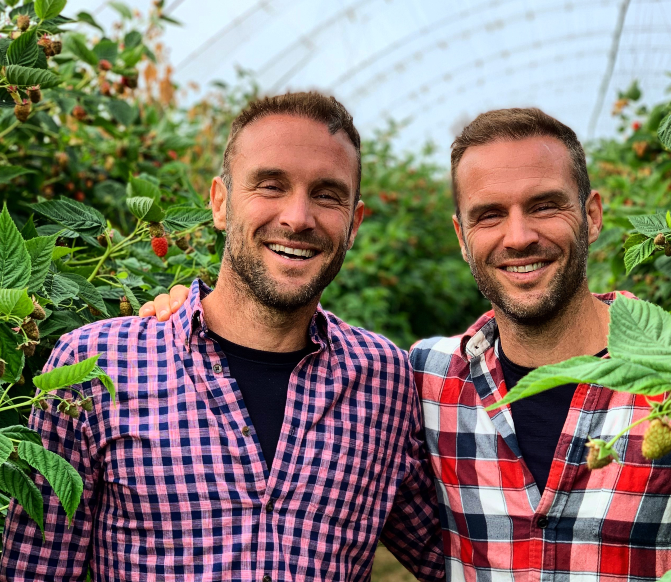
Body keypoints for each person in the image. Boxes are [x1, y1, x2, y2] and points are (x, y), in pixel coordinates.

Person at [140, 107, 671, 581]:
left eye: (544, 206)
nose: (518, 236)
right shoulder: (426, 378)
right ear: (460, 235)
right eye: (488, 215)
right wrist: (185, 312)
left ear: (591, 215)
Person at [0, 92, 443, 582]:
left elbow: (461, 554)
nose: (298, 217)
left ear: (354, 223)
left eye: (327, 194)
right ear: (220, 203)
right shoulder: (95, 364)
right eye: (270, 186)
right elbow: (34, 568)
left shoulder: (384, 379)